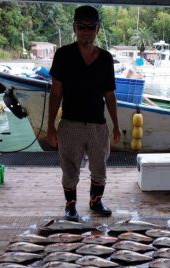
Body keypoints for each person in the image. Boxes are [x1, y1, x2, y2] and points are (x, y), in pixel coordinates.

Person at [47, 5, 121, 221]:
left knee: (100, 167)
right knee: (69, 168)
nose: (86, 31)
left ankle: (95, 201)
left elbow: (110, 95)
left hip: (98, 125)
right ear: (74, 28)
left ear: (98, 29)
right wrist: (51, 126)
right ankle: (70, 205)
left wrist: (116, 125)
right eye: (82, 26)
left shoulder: (106, 58)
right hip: (70, 124)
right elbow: (55, 93)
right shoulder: (63, 55)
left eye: (91, 26)